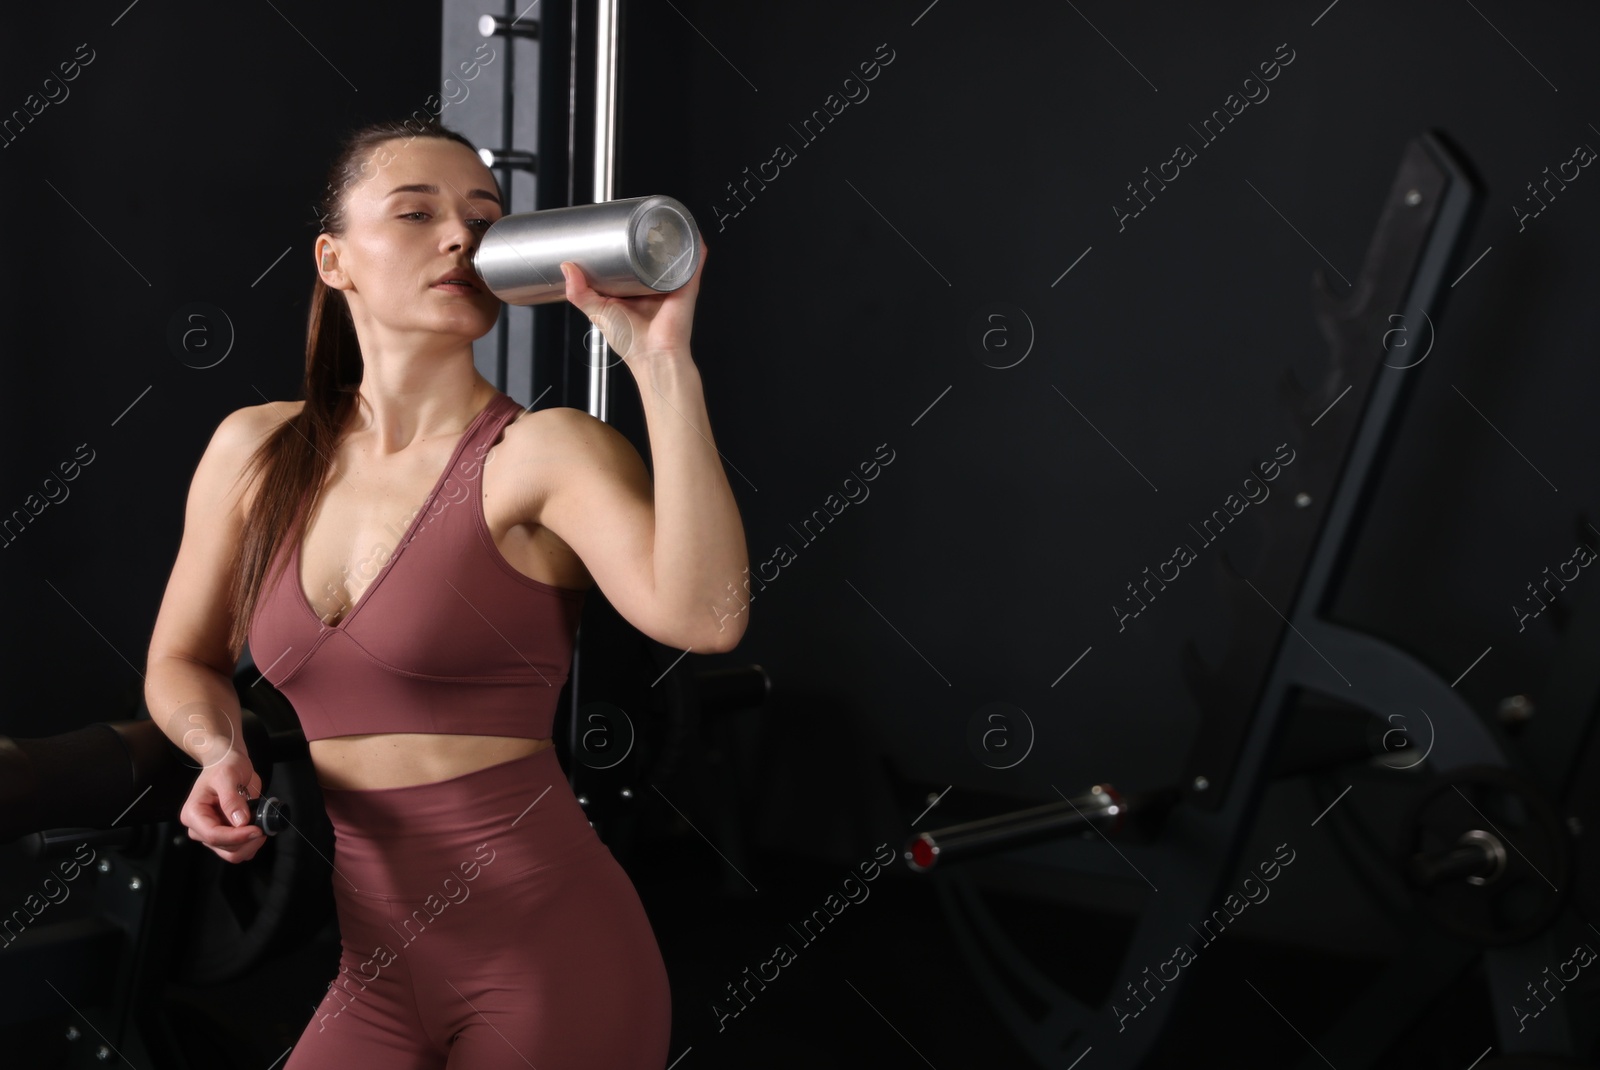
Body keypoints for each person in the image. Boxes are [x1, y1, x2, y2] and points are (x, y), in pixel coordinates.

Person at [142, 117, 748, 1069]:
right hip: (375, 973)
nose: (461, 236)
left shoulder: (541, 454)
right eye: (416, 212)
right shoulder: (254, 452)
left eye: (483, 215)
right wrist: (217, 749)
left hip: (553, 962)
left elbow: (709, 620)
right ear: (333, 259)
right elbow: (181, 660)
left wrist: (661, 364)